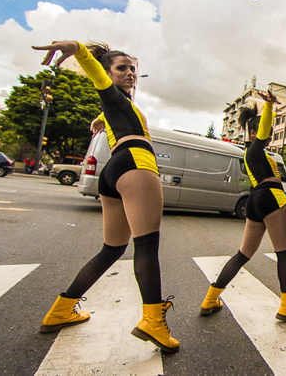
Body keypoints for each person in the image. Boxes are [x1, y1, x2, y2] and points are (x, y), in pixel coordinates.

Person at [33, 40, 179, 353]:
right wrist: (79, 50)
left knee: (111, 250)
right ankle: (153, 320)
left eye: (132, 69)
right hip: (136, 165)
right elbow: (100, 81)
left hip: (112, 172)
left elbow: (115, 108)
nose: (130, 74)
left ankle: (61, 309)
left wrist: (103, 118)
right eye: (121, 69)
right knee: (147, 246)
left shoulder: (118, 104)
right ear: (107, 72)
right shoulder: (110, 93)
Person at [200, 92, 286, 322]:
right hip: (272, 198)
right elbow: (263, 129)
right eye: (266, 133)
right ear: (253, 133)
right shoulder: (254, 150)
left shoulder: (255, 154)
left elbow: (262, 131)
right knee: (284, 253)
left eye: (270, 134)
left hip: (256, 201)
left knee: (243, 254)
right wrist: (268, 106)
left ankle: (211, 298)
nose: (269, 137)